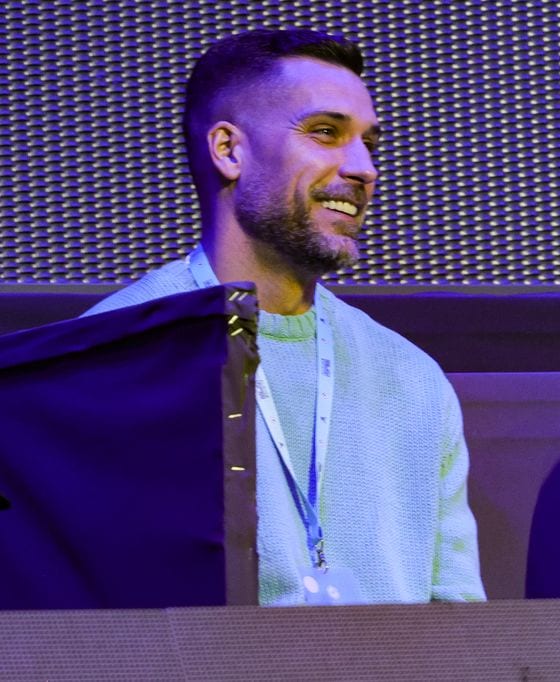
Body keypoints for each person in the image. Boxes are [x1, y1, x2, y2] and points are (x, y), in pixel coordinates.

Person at [86, 29, 485, 605]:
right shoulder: (111, 362)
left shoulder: (412, 377)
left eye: (368, 142)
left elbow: (462, 627)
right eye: (326, 132)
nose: (364, 167)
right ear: (229, 150)